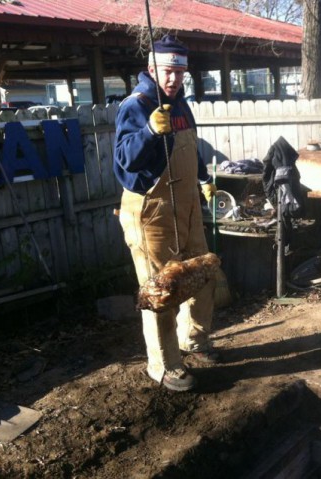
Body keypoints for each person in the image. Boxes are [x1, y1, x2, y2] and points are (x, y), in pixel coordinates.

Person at [113, 35, 218, 392]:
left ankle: (195, 340)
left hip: (187, 204)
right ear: (151, 69)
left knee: (203, 272)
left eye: (179, 72)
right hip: (152, 211)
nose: (173, 79)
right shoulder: (136, 106)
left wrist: (204, 179)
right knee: (160, 289)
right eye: (167, 71)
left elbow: (192, 148)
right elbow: (124, 160)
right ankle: (164, 365)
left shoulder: (181, 106)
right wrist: (147, 132)